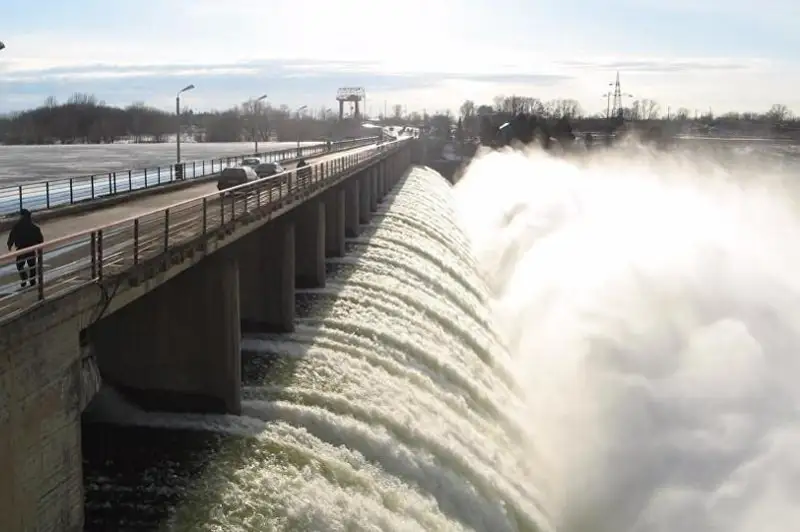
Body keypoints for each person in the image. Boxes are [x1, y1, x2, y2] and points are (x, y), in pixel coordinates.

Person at [7, 209, 44, 288]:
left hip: (21, 249)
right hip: (31, 248)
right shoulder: (34, 227)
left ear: (22, 216)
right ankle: (32, 280)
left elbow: (12, 236)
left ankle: (24, 278)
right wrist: (39, 248)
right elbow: (40, 239)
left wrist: (9, 245)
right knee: (32, 265)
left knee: (19, 265)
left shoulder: (17, 226)